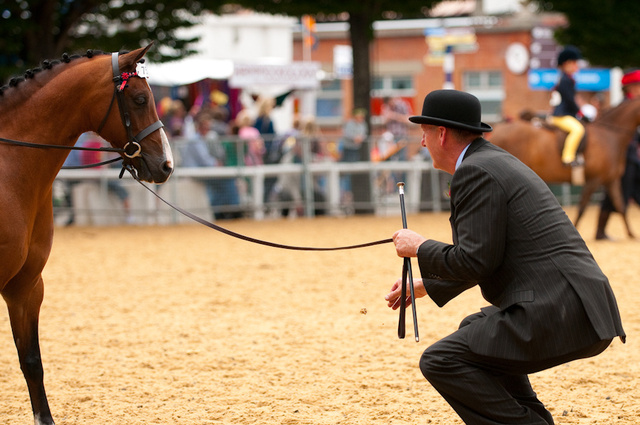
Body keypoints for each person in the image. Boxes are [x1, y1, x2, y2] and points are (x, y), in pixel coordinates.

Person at [386, 89, 626, 425]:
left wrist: (420, 246)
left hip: (562, 309)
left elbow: (475, 261)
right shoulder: (491, 161)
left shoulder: (476, 171)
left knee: (441, 360)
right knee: (475, 329)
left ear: (440, 134)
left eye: (424, 134)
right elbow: (486, 254)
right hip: (580, 305)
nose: (422, 144)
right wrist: (427, 284)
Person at [596, 69, 640, 240]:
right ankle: (600, 231)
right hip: (622, 155)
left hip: (631, 155)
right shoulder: (624, 106)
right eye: (637, 86)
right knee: (615, 193)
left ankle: (601, 231)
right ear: (629, 88)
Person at [548, 45, 585, 166]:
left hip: (564, 114)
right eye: (574, 63)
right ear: (567, 63)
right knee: (578, 130)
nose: (577, 66)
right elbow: (570, 100)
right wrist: (580, 112)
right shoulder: (566, 80)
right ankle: (568, 157)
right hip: (561, 115)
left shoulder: (565, 78)